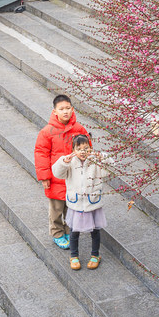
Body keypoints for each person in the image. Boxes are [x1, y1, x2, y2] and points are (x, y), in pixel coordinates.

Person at [34, 94, 91, 249]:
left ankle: (68, 231)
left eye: (67, 108)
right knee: (56, 209)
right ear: (54, 111)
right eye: (61, 109)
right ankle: (57, 233)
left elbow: (87, 149)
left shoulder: (79, 129)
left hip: (74, 178)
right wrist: (45, 177)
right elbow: (41, 154)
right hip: (55, 179)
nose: (65, 111)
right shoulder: (47, 131)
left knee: (71, 207)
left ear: (72, 109)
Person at [53, 135, 108, 270]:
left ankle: (95, 255)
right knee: (74, 232)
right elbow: (57, 173)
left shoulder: (95, 162)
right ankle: (74, 256)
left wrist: (103, 158)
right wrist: (63, 162)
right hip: (76, 203)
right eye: (79, 149)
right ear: (73, 150)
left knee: (95, 231)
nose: (83, 152)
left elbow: (109, 170)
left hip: (92, 202)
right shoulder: (70, 162)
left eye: (86, 148)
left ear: (90, 149)